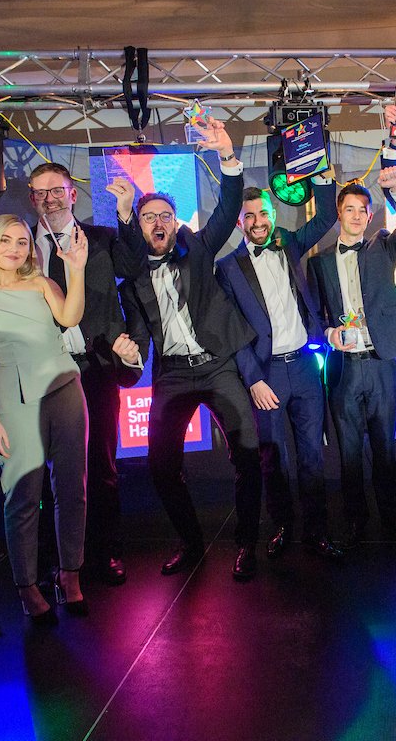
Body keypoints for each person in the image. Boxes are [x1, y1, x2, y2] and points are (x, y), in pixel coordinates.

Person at [111, 118, 265, 582]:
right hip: (174, 374)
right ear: (138, 227)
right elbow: (138, 335)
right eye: (148, 217)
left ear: (175, 224)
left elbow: (228, 206)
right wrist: (129, 355)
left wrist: (227, 157)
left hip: (218, 366)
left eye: (164, 216)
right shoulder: (132, 280)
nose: (158, 223)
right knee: (161, 467)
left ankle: (245, 544)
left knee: (248, 456)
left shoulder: (197, 249)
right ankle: (191, 541)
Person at [0, 214, 90, 624]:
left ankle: (70, 574)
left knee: (73, 489)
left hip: (65, 387)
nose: (15, 249)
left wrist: (76, 270)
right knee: (23, 495)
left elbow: (70, 318)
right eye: (6, 241)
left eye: (22, 241)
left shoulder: (40, 283)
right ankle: (26, 585)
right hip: (13, 399)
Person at [216, 183, 343, 560]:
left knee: (312, 456)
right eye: (250, 216)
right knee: (273, 458)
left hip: (305, 365)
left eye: (263, 214)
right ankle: (284, 526)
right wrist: (252, 377)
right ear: (240, 223)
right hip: (266, 373)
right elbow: (232, 329)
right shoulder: (227, 268)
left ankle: (316, 529)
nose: (258, 222)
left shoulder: (288, 242)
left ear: (273, 214)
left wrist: (318, 170)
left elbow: (324, 216)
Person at [29, 162, 138, 586]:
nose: (49, 198)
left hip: (94, 369)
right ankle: (55, 562)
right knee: (44, 476)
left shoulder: (102, 238)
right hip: (42, 373)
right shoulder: (23, 249)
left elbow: (133, 262)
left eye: (56, 190)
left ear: (73, 195)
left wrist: (126, 212)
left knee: (101, 468)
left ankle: (106, 553)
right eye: (40, 193)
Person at [307, 156, 396, 548]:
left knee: (385, 451)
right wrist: (327, 332)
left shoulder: (382, 248)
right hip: (342, 368)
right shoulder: (319, 261)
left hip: (380, 365)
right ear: (338, 214)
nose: (356, 216)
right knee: (350, 454)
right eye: (349, 210)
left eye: (362, 210)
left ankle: (392, 519)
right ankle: (356, 521)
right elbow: (314, 313)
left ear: (370, 214)